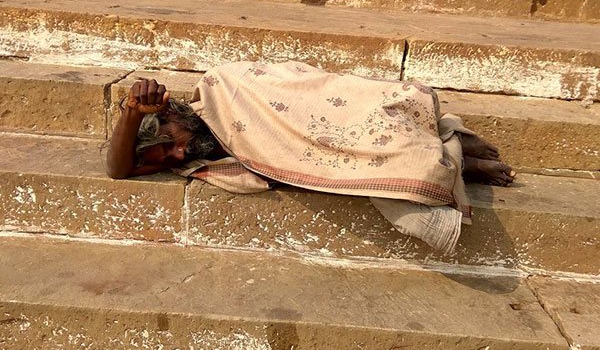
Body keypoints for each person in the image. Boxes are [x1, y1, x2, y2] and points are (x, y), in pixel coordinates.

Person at [106, 61, 515, 252]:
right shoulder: (192, 159)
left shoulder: (221, 87)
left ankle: (448, 145)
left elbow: (301, 92)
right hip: (315, 154)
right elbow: (117, 170)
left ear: (170, 114)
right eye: (169, 158)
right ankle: (454, 151)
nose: (180, 153)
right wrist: (130, 114)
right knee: (387, 176)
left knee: (368, 126)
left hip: (331, 116)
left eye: (171, 141)